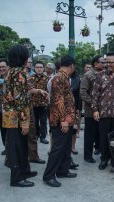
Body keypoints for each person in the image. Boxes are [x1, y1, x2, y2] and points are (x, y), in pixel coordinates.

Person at [3, 45, 37, 187]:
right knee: (17, 146)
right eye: (26, 55)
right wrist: (24, 120)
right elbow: (19, 98)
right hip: (17, 115)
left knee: (20, 144)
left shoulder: (11, 71)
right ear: (21, 57)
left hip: (10, 113)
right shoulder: (19, 73)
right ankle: (16, 178)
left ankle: (24, 170)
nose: (28, 58)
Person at [43, 55, 77, 187]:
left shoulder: (64, 78)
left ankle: (63, 170)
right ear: (71, 66)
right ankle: (49, 175)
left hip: (67, 118)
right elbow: (58, 100)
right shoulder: (58, 78)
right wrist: (63, 120)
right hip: (60, 119)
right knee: (57, 147)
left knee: (66, 146)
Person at [80, 55, 104, 163]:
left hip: (103, 110)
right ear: (95, 64)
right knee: (90, 134)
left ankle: (100, 150)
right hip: (91, 111)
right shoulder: (88, 75)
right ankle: (87, 156)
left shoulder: (104, 74)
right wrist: (94, 103)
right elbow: (83, 93)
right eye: (102, 62)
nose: (105, 64)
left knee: (100, 133)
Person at [30, 61, 49, 144]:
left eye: (41, 67)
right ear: (34, 68)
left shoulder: (47, 78)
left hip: (44, 104)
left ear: (43, 68)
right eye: (37, 67)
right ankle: (36, 135)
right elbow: (29, 90)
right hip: (33, 103)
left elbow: (49, 90)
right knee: (35, 121)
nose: (39, 69)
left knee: (43, 121)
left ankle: (43, 137)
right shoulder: (30, 78)